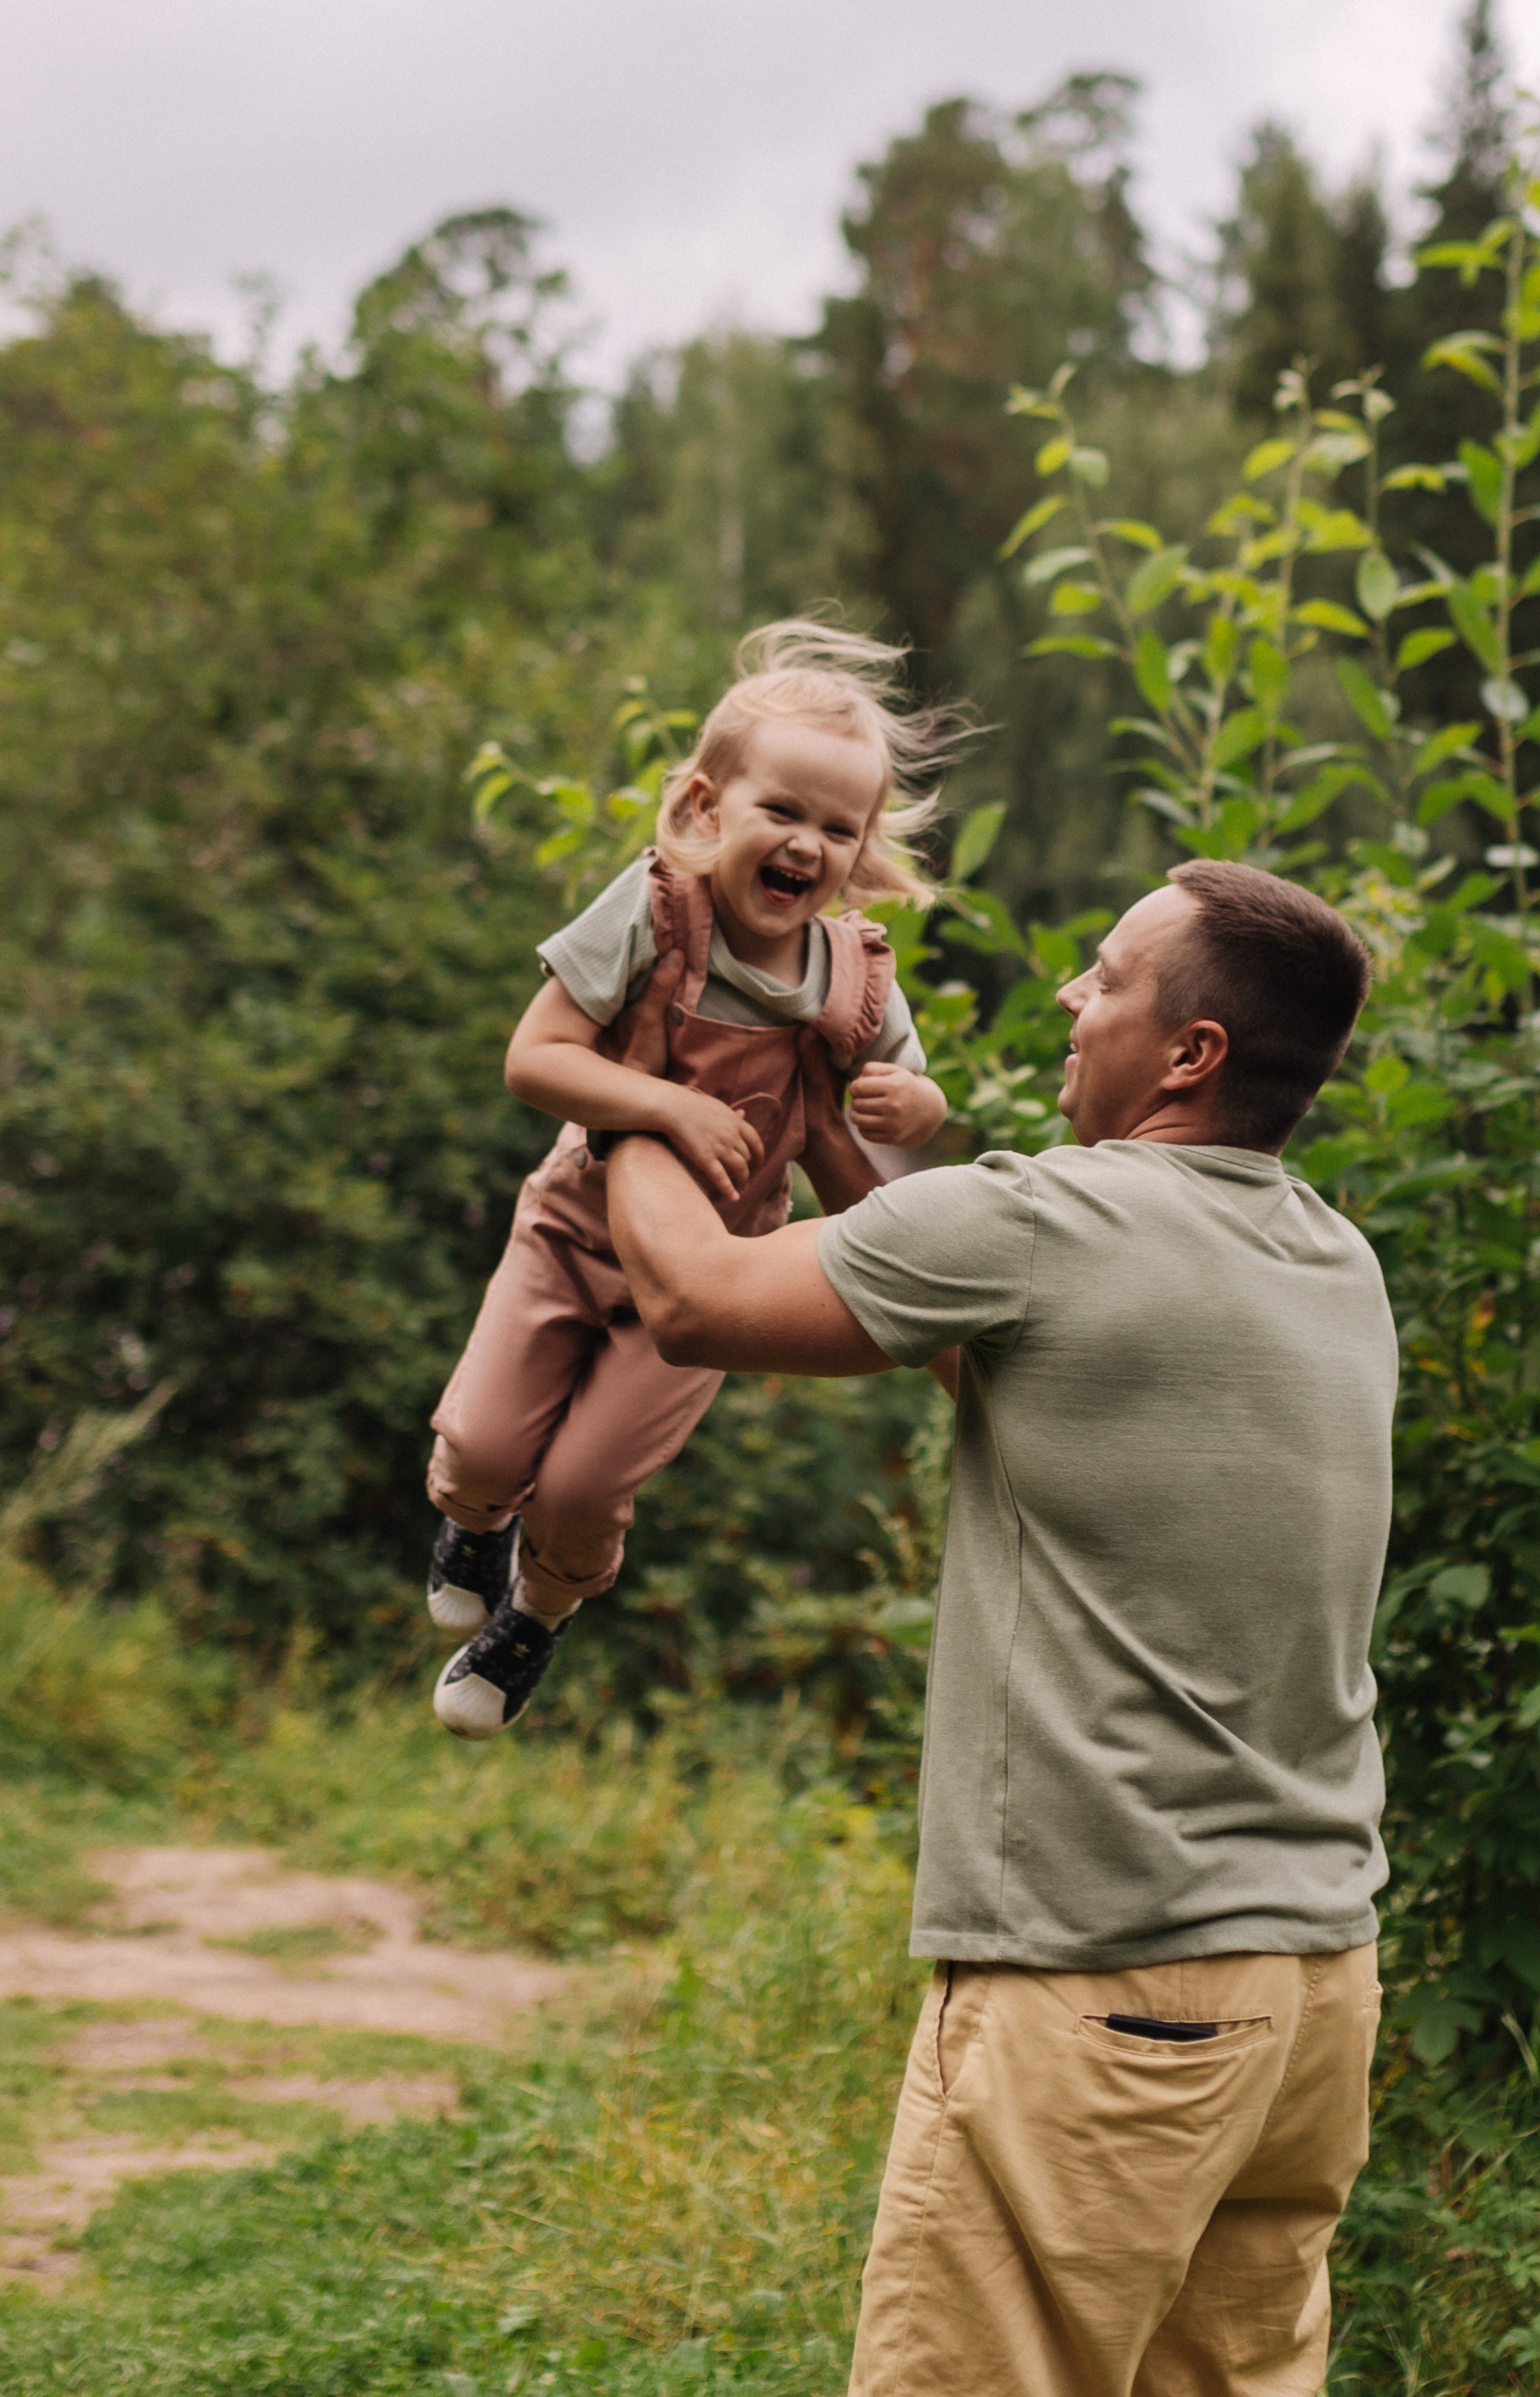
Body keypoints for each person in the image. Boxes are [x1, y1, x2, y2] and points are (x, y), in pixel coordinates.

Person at [603, 859, 1397, 2397]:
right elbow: (998, 1366)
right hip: (1305, 1991)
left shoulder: (1045, 1221)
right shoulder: (1328, 1263)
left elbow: (691, 1301)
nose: (1065, 995)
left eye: (1104, 976)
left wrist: (634, 1085)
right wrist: (827, 1121)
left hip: (1100, 1988)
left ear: (1191, 1053)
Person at [423, 624, 952, 1738]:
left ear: (859, 852)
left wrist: (924, 1106)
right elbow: (535, 1061)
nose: (807, 843)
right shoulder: (659, 909)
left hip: (709, 1283)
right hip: (573, 1230)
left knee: (579, 1492)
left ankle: (537, 1614)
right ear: (709, 807)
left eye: (837, 827)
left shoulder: (850, 974)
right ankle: (471, 1523)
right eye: (783, 811)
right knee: (482, 1448)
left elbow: (901, 1123)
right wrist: (664, 1102)